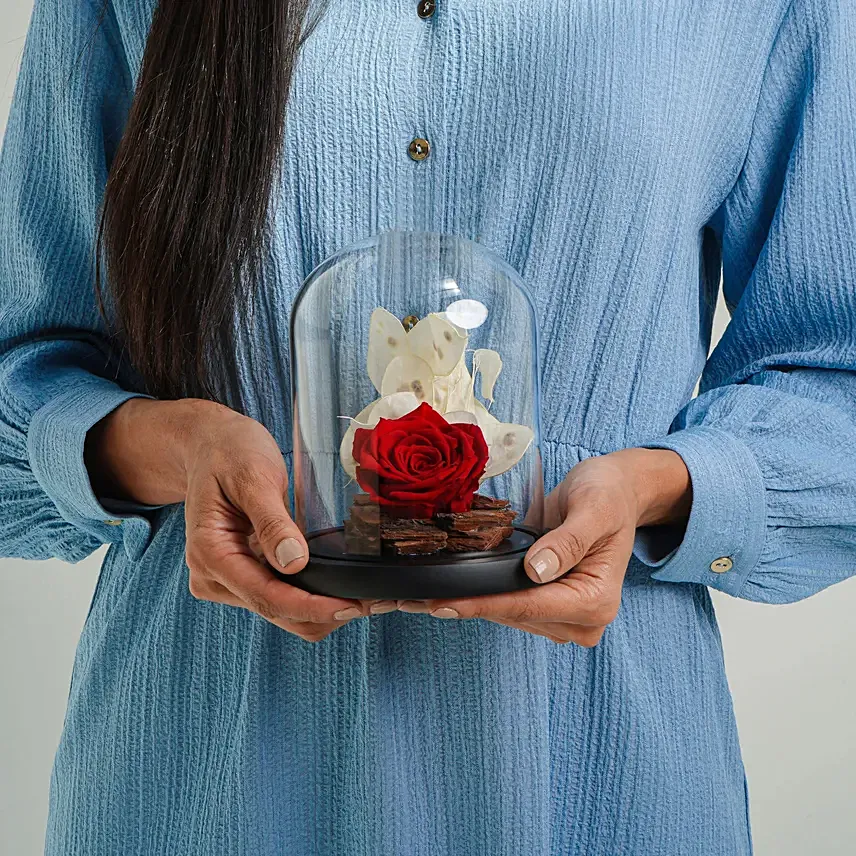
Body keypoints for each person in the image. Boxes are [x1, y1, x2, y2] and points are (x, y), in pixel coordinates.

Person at [1, 0, 854, 853]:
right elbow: (21, 374)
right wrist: (177, 450)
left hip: (595, 761)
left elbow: (836, 383)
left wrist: (655, 484)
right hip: (205, 765)